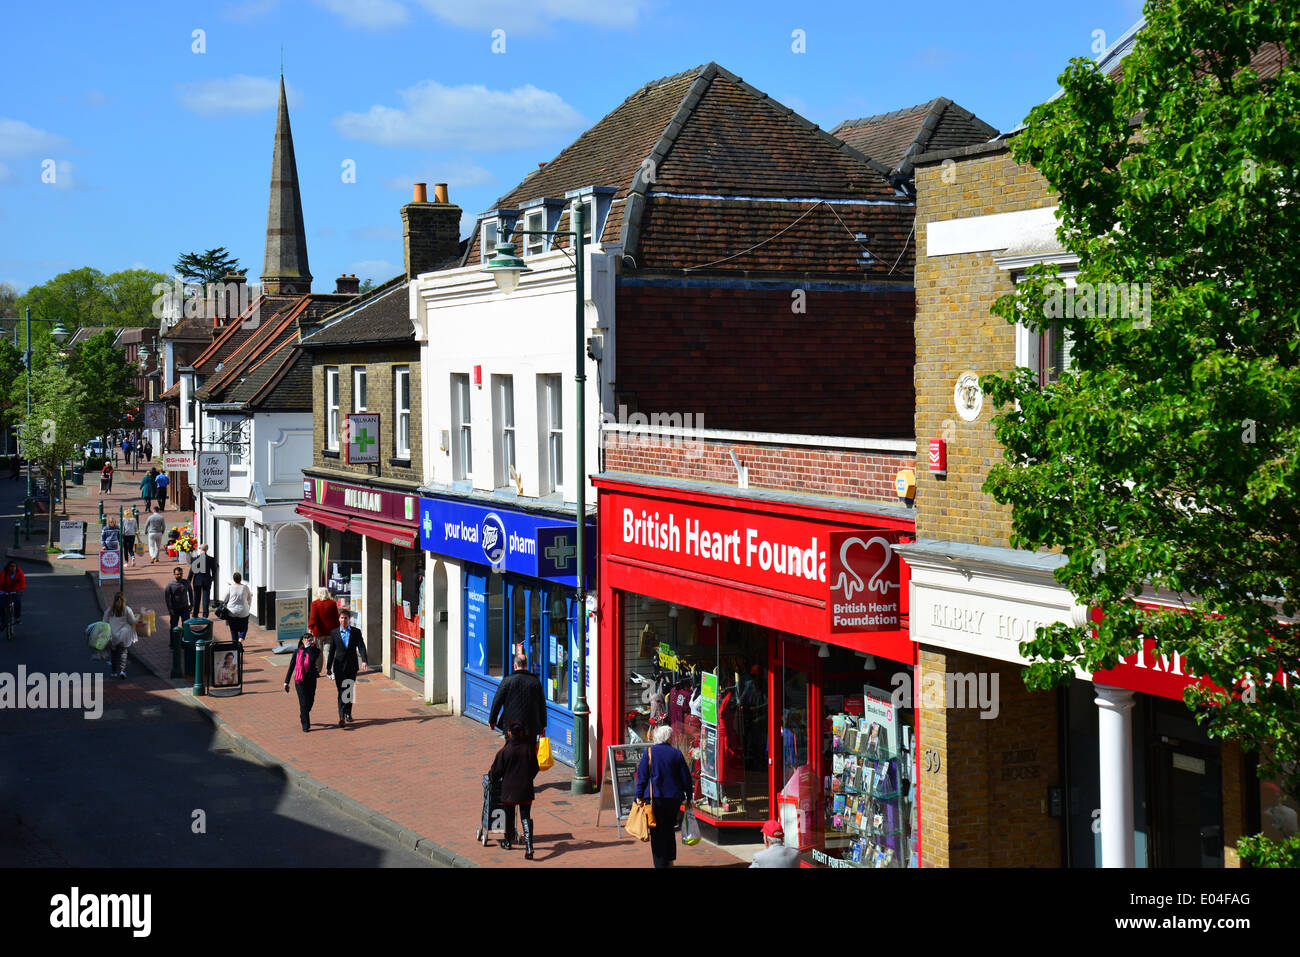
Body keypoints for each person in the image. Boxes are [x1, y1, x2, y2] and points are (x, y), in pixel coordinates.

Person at [634, 725, 694, 868]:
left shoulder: (649, 752)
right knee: (669, 828)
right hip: (673, 798)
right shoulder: (676, 753)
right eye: (671, 736)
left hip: (655, 798)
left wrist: (639, 796)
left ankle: (660, 863)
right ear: (667, 738)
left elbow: (642, 777)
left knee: (656, 831)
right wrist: (689, 796)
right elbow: (686, 777)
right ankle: (669, 859)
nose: (673, 739)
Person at [489, 721, 541, 858]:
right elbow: (535, 768)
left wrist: (492, 779)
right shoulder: (529, 750)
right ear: (522, 733)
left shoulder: (504, 752)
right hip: (525, 789)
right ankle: (529, 846)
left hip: (509, 790)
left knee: (509, 815)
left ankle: (508, 841)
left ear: (510, 733)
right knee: (526, 816)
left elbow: (495, 772)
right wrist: (528, 778)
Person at [488, 654, 546, 745]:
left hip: (511, 726)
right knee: (529, 754)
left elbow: (497, 702)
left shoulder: (507, 681)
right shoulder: (535, 681)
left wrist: (492, 721)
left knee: (512, 751)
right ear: (526, 665)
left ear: (515, 665)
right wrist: (543, 724)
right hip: (530, 727)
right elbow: (542, 704)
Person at [326, 607, 368, 727]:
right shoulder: (334, 633)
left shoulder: (356, 632)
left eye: (346, 618)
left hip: (351, 665)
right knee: (341, 691)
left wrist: (364, 660)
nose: (343, 620)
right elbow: (331, 651)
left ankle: (348, 713)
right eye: (341, 618)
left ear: (349, 619)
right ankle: (341, 716)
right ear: (338, 619)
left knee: (348, 690)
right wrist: (328, 667)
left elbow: (361, 646)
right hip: (338, 666)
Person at [284, 634, 321, 732]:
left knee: (310, 701)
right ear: (302, 641)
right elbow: (291, 667)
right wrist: (286, 682)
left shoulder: (315, 650)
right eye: (307, 639)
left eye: (310, 639)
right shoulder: (297, 652)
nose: (309, 641)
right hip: (300, 681)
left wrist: (309, 647)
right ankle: (306, 725)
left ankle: (303, 714)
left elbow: (312, 658)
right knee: (303, 703)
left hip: (311, 680)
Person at [102, 591, 139, 680]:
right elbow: (132, 621)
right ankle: (122, 670)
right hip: (124, 635)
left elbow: (104, 622)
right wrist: (139, 615)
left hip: (113, 636)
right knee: (123, 652)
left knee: (114, 654)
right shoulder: (127, 610)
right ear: (124, 600)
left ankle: (114, 672)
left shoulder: (109, 610)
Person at [308, 588, 339, 675]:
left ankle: (317, 670)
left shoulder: (315, 604)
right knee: (328, 652)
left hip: (318, 632)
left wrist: (310, 628)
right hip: (330, 632)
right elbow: (336, 617)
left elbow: (313, 617)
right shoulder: (332, 603)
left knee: (318, 652)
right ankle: (330, 670)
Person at [222, 571, 252, 644]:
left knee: (233, 629)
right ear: (240, 579)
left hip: (232, 612)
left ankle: (235, 645)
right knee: (244, 627)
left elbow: (224, 599)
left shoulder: (230, 587)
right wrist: (248, 607)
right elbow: (249, 599)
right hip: (243, 612)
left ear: (234, 579)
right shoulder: (245, 587)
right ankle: (241, 638)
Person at [164, 565, 191, 640]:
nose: (179, 575)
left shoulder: (186, 582)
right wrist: (170, 609)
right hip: (174, 609)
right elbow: (167, 598)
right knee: (173, 626)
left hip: (185, 608)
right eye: (177, 574)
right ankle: (173, 642)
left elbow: (191, 593)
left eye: (181, 574)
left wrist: (192, 604)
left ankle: (184, 640)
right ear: (174, 574)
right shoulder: (170, 585)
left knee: (186, 625)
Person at [189, 544, 214, 616]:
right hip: (207, 580)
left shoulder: (195, 559)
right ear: (207, 550)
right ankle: (205, 614)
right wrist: (213, 577)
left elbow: (192, 571)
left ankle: (195, 613)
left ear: (200, 549)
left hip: (197, 580)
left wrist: (188, 580)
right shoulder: (211, 559)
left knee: (196, 598)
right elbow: (214, 570)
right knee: (206, 598)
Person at [0, 560, 25, 627]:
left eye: (14, 566)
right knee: (2, 605)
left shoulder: (19, 573)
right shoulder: (4, 573)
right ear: (8, 567)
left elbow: (22, 582)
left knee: (18, 601)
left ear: (16, 567)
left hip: (15, 590)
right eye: (11, 566)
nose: (12, 568)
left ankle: (17, 617)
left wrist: (22, 589)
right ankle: (3, 622)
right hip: (4, 591)